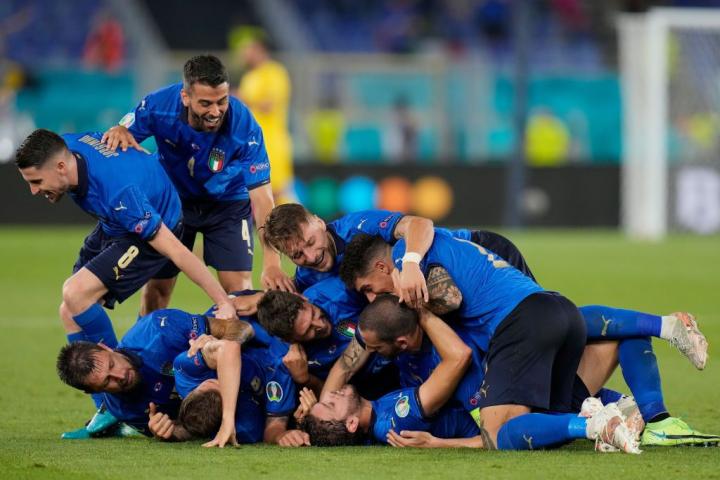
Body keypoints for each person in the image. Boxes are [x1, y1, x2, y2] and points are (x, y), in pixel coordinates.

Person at [338, 232, 709, 448]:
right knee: (621, 334)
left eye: (369, 289)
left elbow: (451, 304)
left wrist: (416, 299)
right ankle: (652, 412)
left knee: (499, 433)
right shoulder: (438, 242)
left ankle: (598, 424)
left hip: (521, 323)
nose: (372, 297)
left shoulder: (408, 261)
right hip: (555, 308)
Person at [15, 128, 238, 410]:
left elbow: (178, 251)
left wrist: (222, 301)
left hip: (152, 229)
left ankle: (123, 399)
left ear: (61, 167)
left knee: (75, 293)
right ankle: (105, 410)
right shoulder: (69, 144)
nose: (34, 191)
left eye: (36, 181)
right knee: (69, 311)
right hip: (115, 225)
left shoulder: (119, 192)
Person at [301, 305, 640, 452]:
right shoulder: (397, 417)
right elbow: (458, 357)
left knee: (600, 337)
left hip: (515, 396)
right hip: (517, 410)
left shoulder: (378, 415)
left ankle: (621, 409)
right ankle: (602, 421)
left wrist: (309, 403)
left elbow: (341, 376)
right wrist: (421, 313)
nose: (331, 393)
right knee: (615, 338)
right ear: (350, 424)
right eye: (329, 404)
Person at [102, 54, 293, 315]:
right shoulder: (159, 106)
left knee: (240, 292)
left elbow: (262, 199)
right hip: (174, 202)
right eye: (205, 103)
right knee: (157, 290)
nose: (215, 112)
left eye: (222, 101)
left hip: (228, 204)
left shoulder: (245, 127)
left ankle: (229, 342)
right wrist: (120, 131)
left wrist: (271, 262)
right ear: (185, 97)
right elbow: (120, 134)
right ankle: (147, 342)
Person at [261, 203, 534, 304]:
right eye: (297, 255)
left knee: (535, 311)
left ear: (319, 222)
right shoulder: (305, 279)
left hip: (481, 250)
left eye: (311, 242)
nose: (311, 257)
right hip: (450, 286)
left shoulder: (357, 225)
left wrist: (410, 264)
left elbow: (419, 224)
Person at [55, 307, 251, 439]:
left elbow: (240, 328)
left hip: (249, 365)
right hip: (230, 404)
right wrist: (171, 431)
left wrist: (220, 350)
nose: (120, 376)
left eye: (112, 365)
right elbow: (195, 427)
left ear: (106, 347)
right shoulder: (122, 409)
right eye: (107, 382)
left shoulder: (160, 328)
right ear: (94, 391)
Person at [236, 35, 295, 204]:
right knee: (253, 191)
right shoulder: (249, 77)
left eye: (248, 49)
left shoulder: (275, 73)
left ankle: (295, 219)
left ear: (259, 50)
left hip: (272, 142)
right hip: (251, 143)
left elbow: (269, 104)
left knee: (275, 190)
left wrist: (243, 99)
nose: (244, 54)